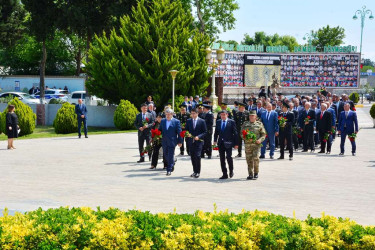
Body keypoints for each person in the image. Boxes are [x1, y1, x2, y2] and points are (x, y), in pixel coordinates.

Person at [241, 110, 267, 180]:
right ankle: (250, 174)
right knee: (248, 159)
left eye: (253, 116)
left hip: (256, 145)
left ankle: (256, 173)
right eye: (250, 116)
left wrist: (260, 140)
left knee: (256, 158)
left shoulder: (259, 124)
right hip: (248, 145)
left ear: (255, 117)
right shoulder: (245, 124)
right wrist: (245, 137)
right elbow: (241, 134)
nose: (251, 117)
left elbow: (263, 134)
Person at [213, 110, 239, 179]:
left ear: (227, 115)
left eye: (224, 115)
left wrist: (236, 143)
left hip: (229, 143)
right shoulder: (218, 122)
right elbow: (216, 132)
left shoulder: (231, 122)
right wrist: (215, 140)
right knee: (222, 159)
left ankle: (231, 170)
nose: (223, 116)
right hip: (220, 143)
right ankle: (224, 174)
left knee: (228, 157)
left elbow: (235, 133)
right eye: (221, 115)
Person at [159, 109, 182, 176]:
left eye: (169, 114)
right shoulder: (163, 121)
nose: (167, 115)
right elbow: (160, 130)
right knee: (166, 154)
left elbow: (179, 132)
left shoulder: (176, 121)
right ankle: (172, 163)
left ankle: (168, 170)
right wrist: (157, 135)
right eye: (166, 114)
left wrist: (180, 141)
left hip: (172, 141)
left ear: (172, 114)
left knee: (170, 154)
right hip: (164, 141)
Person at [185, 108, 207, 178]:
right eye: (192, 113)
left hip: (199, 142)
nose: (193, 115)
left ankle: (198, 172)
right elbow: (186, 130)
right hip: (191, 141)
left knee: (197, 156)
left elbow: (205, 132)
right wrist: (187, 134)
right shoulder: (188, 121)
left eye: (194, 113)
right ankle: (194, 171)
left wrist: (199, 136)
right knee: (192, 156)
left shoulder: (202, 121)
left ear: (197, 113)